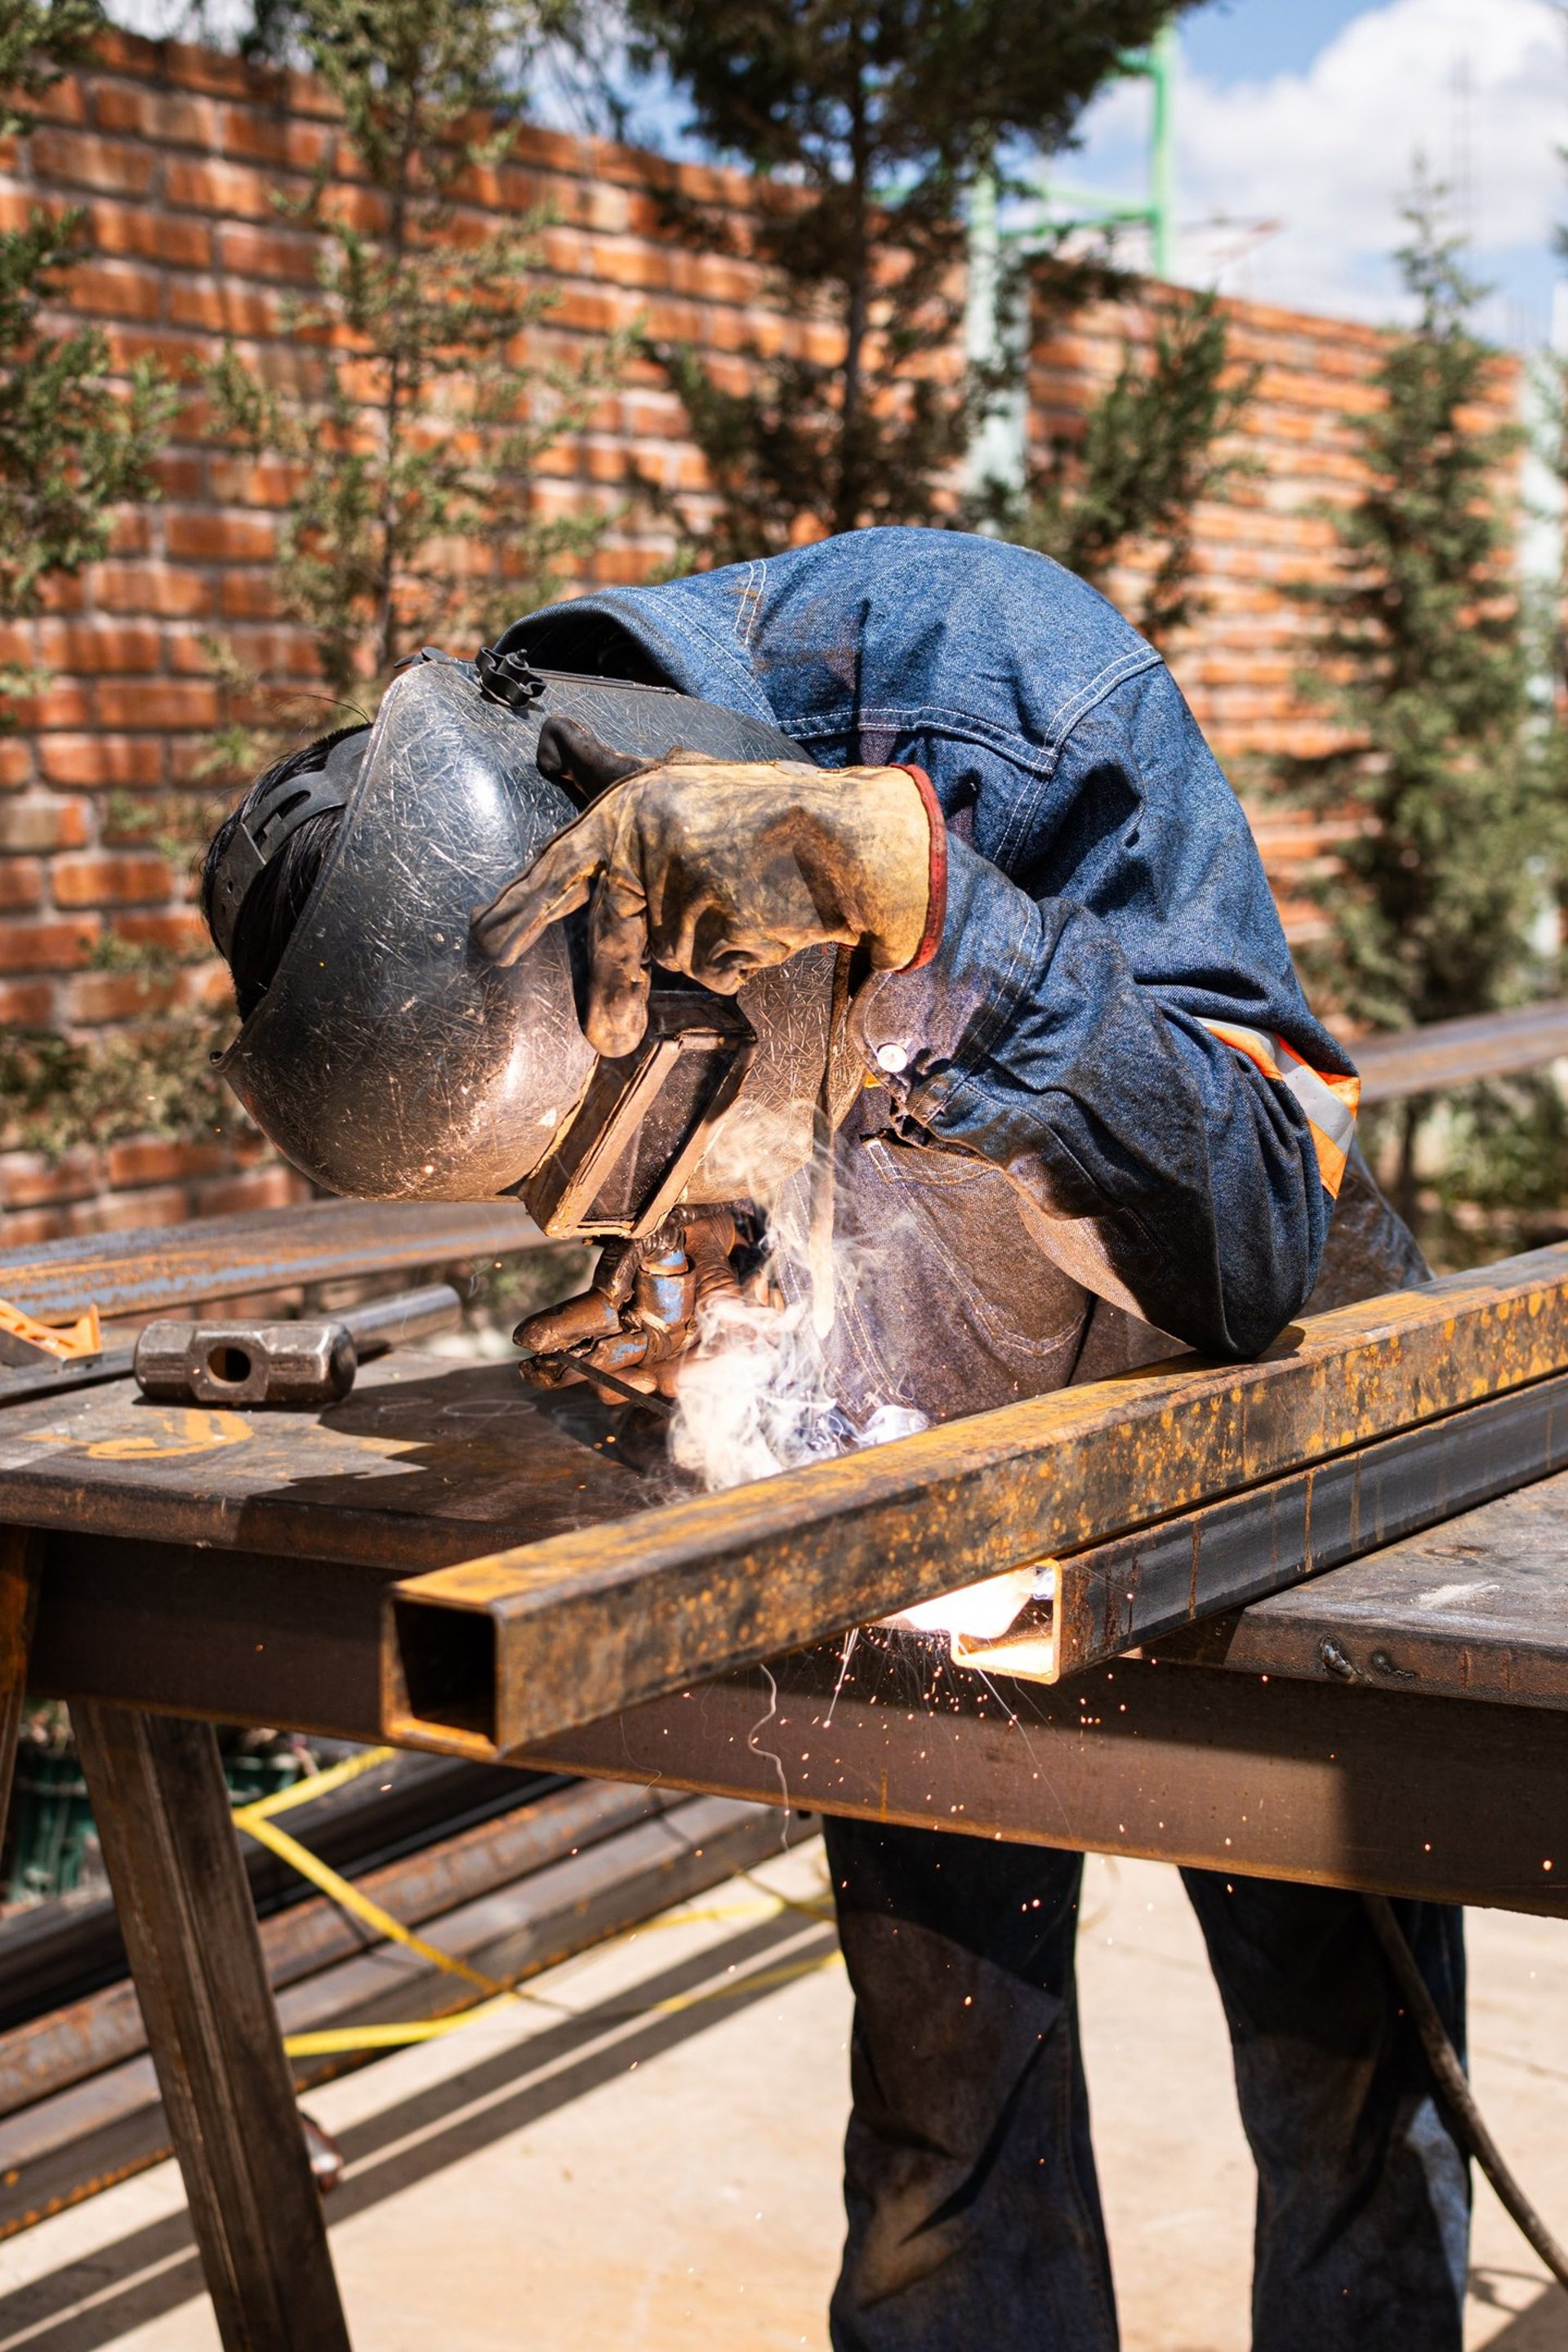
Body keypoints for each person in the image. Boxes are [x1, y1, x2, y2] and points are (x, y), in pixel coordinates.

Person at [202, 527, 1465, 2351]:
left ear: (642, 925)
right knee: (946, 2149)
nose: (607, 1204)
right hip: (930, 1500)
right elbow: (699, 1213)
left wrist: (938, 902)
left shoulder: (992, 679)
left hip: (1239, 1421)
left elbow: (1255, 1220)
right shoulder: (496, 909)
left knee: (1347, 2094)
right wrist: (682, 1323)